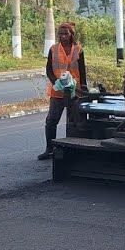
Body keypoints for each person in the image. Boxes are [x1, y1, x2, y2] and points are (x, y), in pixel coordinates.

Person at [38, 22, 87, 160]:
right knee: (51, 121)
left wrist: (84, 87)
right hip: (58, 92)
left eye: (66, 33)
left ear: (71, 34)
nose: (63, 36)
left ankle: (73, 149)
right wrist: (56, 82)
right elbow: (49, 70)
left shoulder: (78, 49)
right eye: (61, 34)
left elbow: (82, 70)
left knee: (74, 122)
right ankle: (49, 149)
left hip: (74, 92)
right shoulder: (53, 49)